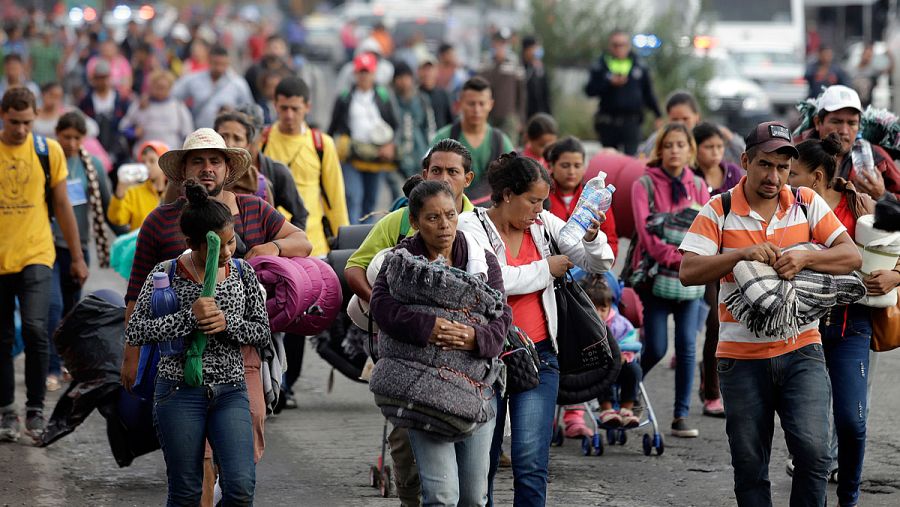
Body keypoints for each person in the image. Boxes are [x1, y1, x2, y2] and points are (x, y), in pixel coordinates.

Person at [679, 121, 861, 506]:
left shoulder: (806, 202)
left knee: (815, 453)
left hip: (801, 348)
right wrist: (741, 254)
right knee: (749, 466)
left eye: (782, 167)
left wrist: (806, 257)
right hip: (739, 357)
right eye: (764, 164)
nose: (773, 176)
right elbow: (688, 271)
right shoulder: (719, 209)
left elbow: (852, 255)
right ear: (745, 161)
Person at [458, 153, 614, 506]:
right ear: (508, 194)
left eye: (543, 201)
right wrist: (547, 269)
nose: (539, 209)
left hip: (541, 356)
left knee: (530, 463)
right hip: (487, 359)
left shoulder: (543, 224)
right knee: (482, 461)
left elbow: (598, 262)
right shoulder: (471, 227)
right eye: (533, 200)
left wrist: (591, 236)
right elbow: (489, 281)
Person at [344, 139, 476, 505]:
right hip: (407, 354)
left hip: (464, 358)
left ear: (468, 178)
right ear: (423, 175)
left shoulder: (480, 226)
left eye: (452, 172)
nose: (444, 178)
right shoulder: (399, 221)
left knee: (470, 462)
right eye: (436, 171)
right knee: (405, 443)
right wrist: (384, 304)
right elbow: (355, 267)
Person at [125, 180, 271, 506]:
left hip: (231, 391)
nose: (229, 251)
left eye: (232, 242)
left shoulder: (243, 273)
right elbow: (136, 331)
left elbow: (262, 332)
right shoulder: (166, 274)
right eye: (220, 246)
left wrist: (226, 324)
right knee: (186, 493)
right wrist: (190, 318)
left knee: (240, 488)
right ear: (192, 244)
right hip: (178, 392)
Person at [370, 180, 511, 507]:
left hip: (476, 388)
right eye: (433, 218)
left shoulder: (481, 260)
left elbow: (502, 315)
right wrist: (430, 326)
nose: (444, 225)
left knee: (475, 497)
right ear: (415, 222)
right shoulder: (400, 262)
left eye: (450, 215)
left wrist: (475, 337)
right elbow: (383, 308)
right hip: (424, 391)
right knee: (441, 496)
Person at [788, 133, 893, 507]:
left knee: (852, 421)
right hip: (802, 330)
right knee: (808, 434)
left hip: (852, 328)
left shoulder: (860, 205)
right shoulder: (788, 206)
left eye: (793, 172)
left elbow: (895, 250)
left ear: (817, 177)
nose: (784, 179)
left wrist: (895, 276)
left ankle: (848, 497)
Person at [0, 87, 89, 442]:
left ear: (35, 118)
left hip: (37, 253)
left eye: (27, 122)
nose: (21, 129)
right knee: (3, 337)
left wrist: (78, 256)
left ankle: (35, 408)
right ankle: (7, 411)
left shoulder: (47, 151)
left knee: (37, 328)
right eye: (13, 122)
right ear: (3, 116)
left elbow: (63, 205)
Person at [630, 122, 710, 437]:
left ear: (690, 150)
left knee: (689, 346)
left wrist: (693, 262)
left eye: (680, 145)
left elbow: (706, 229)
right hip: (655, 277)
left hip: (690, 280)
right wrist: (679, 259)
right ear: (660, 149)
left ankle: (680, 416)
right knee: (657, 346)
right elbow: (646, 234)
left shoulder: (699, 186)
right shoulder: (645, 185)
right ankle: (628, 383)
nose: (674, 150)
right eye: (668, 145)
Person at [691, 122, 745, 418]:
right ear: (695, 149)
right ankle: (709, 388)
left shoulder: (733, 175)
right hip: (698, 257)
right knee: (706, 326)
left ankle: (715, 389)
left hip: (727, 257)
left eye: (719, 147)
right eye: (708, 147)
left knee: (720, 324)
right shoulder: (690, 176)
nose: (714, 153)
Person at [263, 76, 349, 257]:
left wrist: (345, 244)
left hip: (314, 245)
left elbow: (335, 198)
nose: (289, 115)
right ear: (275, 105)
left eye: (295, 109)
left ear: (307, 107)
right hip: (272, 245)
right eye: (284, 108)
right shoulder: (262, 140)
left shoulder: (322, 144)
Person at [328, 52, 399, 224]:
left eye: (367, 72)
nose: (364, 76)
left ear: (374, 73)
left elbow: (395, 124)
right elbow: (333, 126)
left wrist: (391, 145)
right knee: (353, 197)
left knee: (371, 201)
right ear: (355, 73)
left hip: (377, 155)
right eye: (361, 72)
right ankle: (352, 239)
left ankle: (367, 239)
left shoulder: (383, 96)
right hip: (352, 155)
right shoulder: (345, 97)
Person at [798, 85, 900, 200]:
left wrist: (882, 195)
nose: (844, 131)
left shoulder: (877, 157)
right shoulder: (796, 153)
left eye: (852, 123)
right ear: (818, 122)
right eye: (836, 122)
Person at [218, 105, 308, 230]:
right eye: (224, 136)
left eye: (238, 138)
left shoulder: (275, 174)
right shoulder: (213, 174)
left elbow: (300, 215)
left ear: (262, 135)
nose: (230, 144)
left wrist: (283, 245)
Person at [432, 77, 515, 205]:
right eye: (471, 104)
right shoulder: (443, 137)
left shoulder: (501, 142)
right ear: (460, 104)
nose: (476, 110)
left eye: (481, 104)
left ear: (490, 104)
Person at [585, 31, 662, 155]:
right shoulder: (600, 65)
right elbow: (589, 91)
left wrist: (658, 114)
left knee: (631, 159)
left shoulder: (639, 65)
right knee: (609, 161)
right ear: (610, 46)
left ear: (629, 46)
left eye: (622, 45)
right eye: (615, 45)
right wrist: (608, 83)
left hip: (632, 122)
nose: (619, 49)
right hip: (608, 122)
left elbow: (648, 93)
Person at [581, 276, 642, 429]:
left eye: (603, 309)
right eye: (596, 309)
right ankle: (606, 408)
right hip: (597, 365)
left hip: (621, 361)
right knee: (603, 370)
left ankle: (627, 408)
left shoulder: (620, 324)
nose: (600, 313)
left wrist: (624, 355)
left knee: (634, 370)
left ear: (610, 307)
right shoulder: (584, 325)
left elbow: (630, 341)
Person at [544, 136, 619, 258]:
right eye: (565, 165)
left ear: (584, 168)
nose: (571, 171)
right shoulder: (542, 197)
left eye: (577, 166)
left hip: (586, 269)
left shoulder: (598, 199)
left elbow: (611, 244)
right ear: (551, 166)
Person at [638, 91, 746, 166]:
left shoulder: (709, 136)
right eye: (675, 120)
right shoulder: (660, 138)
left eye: (685, 119)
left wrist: (730, 137)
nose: (680, 124)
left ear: (696, 117)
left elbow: (744, 157)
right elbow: (642, 157)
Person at [171, 45, 254, 129]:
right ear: (209, 61)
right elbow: (173, 95)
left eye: (223, 64)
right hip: (199, 132)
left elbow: (250, 110)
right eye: (216, 63)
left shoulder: (238, 83)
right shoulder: (194, 79)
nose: (219, 68)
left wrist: (233, 112)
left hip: (226, 135)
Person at [119, 70, 194, 152]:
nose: (160, 91)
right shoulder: (140, 105)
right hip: (145, 155)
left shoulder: (178, 106)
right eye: (157, 87)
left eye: (163, 88)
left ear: (170, 88)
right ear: (151, 87)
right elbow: (123, 127)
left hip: (170, 155)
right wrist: (133, 132)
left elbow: (188, 134)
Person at [77, 59, 132, 166]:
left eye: (105, 77)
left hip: (116, 147)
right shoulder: (86, 100)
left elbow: (127, 121)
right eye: (99, 78)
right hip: (94, 147)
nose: (102, 81)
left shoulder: (120, 99)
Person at [107, 141, 169, 232]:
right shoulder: (133, 192)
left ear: (164, 163)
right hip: (142, 244)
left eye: (152, 161)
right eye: (143, 162)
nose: (147, 165)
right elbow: (117, 219)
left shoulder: (175, 191)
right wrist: (120, 189)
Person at [479, 30, 526, 142]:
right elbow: (480, 83)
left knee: (508, 148)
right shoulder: (485, 60)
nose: (501, 46)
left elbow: (521, 91)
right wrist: (497, 63)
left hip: (508, 114)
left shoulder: (514, 61)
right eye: (499, 42)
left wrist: (520, 118)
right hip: (487, 113)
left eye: (504, 43)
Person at [392, 62, 436, 181]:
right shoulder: (391, 100)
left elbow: (430, 126)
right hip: (397, 158)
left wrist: (430, 152)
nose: (403, 81)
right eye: (399, 77)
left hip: (419, 153)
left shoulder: (421, 99)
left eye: (406, 77)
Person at [417, 55, 454, 130]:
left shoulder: (444, 94)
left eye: (430, 69)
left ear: (436, 71)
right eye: (424, 69)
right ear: (418, 72)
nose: (427, 73)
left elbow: (450, 121)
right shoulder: (414, 95)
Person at [522, 36, 551, 121]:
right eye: (535, 47)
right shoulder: (519, 68)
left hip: (541, 115)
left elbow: (546, 95)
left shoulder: (540, 68)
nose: (537, 50)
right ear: (527, 50)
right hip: (526, 117)